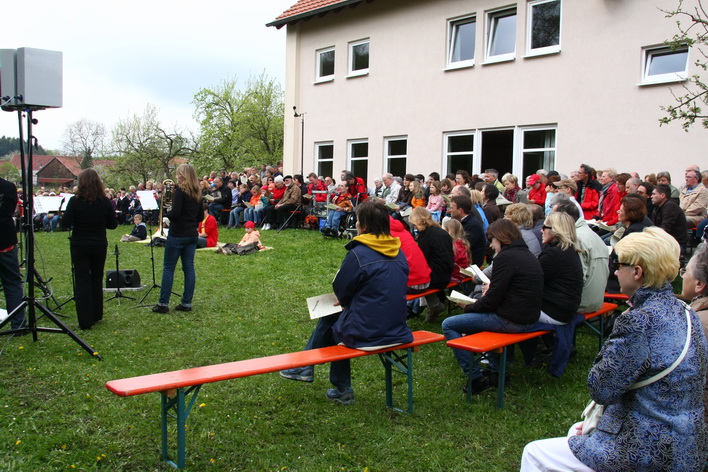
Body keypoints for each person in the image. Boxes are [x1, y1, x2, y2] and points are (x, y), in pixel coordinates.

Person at [521, 227, 708, 472]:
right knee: (576, 431)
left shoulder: (639, 320)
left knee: (534, 453)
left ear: (637, 272)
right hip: (687, 445)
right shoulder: (686, 312)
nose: (615, 271)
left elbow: (601, 388)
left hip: (645, 449)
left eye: (619, 265)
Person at [279, 200, 413, 404]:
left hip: (369, 331)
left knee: (332, 324)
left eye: (357, 220)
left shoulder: (359, 253)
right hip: (397, 326)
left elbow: (341, 288)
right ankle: (309, 368)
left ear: (364, 225)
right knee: (334, 319)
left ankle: (318, 373)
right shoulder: (398, 251)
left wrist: (345, 300)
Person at [442, 220, 543, 393]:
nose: (490, 245)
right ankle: (497, 372)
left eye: (491, 240)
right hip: (528, 318)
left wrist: (468, 307)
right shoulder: (527, 255)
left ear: (500, 238)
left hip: (511, 320)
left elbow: (491, 300)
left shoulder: (506, 258)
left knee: (449, 324)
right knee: (485, 323)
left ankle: (475, 378)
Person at [61, 169, 118, 329]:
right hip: (99, 243)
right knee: (96, 278)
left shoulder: (75, 201)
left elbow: (65, 223)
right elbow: (112, 224)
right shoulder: (105, 201)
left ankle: (85, 319)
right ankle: (96, 313)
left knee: (82, 279)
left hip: (80, 244)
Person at [152, 164, 202, 313]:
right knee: (189, 268)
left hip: (178, 234)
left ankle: (163, 303)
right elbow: (200, 216)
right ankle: (187, 302)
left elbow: (176, 213)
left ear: (182, 175)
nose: (176, 176)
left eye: (178, 174)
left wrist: (167, 212)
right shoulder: (197, 192)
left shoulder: (180, 191)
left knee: (169, 268)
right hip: (192, 234)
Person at [409, 207, 454, 322]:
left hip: (435, 278)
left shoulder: (425, 236)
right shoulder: (442, 232)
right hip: (447, 274)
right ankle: (434, 304)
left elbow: (422, 260)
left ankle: (432, 306)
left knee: (416, 280)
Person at [679, 242, 708, 424]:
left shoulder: (695, 326)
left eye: (685, 271)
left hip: (695, 421)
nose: (682, 276)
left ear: (699, 284)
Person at [0, 178, 26, 332]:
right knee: (12, 282)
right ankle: (18, 324)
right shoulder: (8, 186)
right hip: (5, 238)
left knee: (12, 282)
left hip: (6, 239)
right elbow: (12, 210)